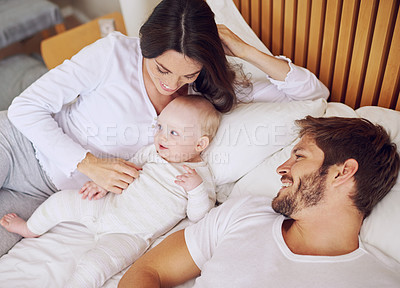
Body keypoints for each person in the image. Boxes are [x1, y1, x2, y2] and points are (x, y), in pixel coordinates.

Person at [0, 0, 329, 255]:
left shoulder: (206, 91)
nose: (172, 85)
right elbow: (25, 108)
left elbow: (312, 94)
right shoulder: (111, 54)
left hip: (48, 192)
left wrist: (243, 49)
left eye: (187, 75)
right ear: (146, 44)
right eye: (161, 68)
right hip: (17, 147)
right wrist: (89, 164)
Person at [118, 116, 400, 288]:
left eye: (299, 156)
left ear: (343, 171)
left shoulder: (378, 280)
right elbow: (147, 270)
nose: (282, 168)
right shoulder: (245, 211)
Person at [0, 96, 219, 287]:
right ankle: (31, 228)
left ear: (200, 144)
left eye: (174, 133)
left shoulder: (201, 177)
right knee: (61, 202)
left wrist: (196, 189)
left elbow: (199, 216)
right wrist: (103, 184)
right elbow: (128, 167)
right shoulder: (153, 152)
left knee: (97, 265)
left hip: (131, 234)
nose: (162, 137)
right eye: (160, 127)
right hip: (107, 205)